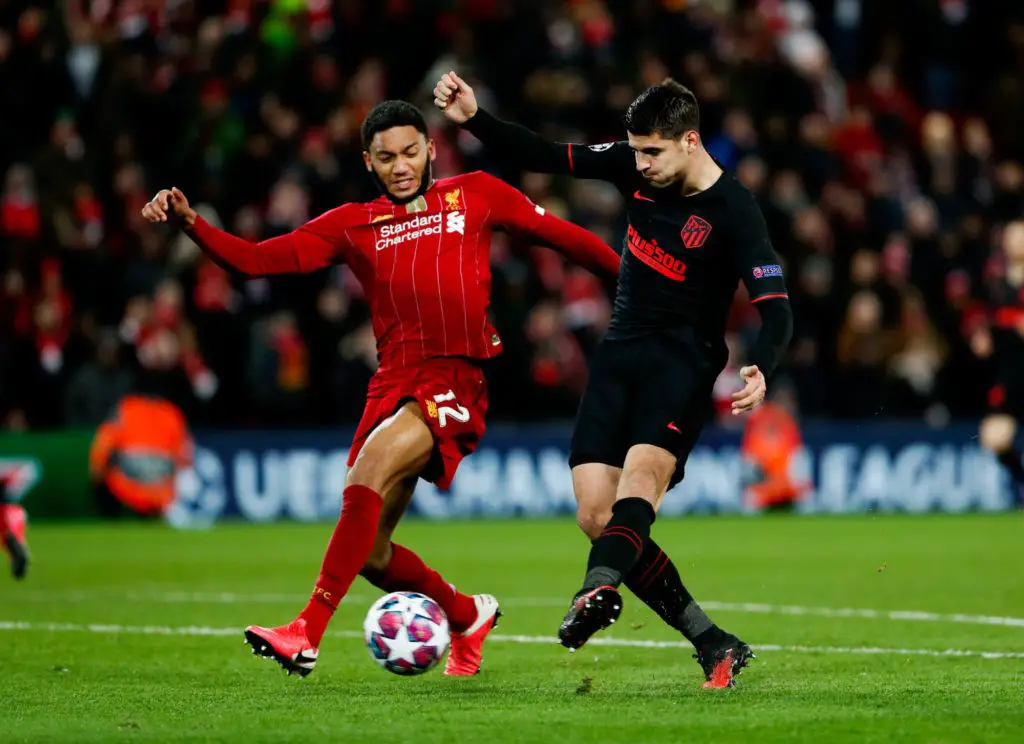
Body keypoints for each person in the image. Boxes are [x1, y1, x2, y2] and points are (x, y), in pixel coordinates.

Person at [140, 100, 621, 678]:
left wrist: (630, 282)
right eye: (387, 157)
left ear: (431, 150)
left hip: (453, 377)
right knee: (370, 553)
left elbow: (564, 237)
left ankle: (306, 631)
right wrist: (192, 223)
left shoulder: (476, 194)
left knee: (367, 473)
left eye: (411, 152)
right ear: (369, 162)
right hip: (392, 383)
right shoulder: (353, 223)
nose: (401, 166)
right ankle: (467, 614)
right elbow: (258, 261)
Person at [434, 73, 793, 688]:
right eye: (636, 151)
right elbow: (545, 154)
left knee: (641, 484)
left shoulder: (735, 209)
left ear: (690, 141)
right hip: (619, 354)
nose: (641, 164)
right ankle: (714, 642)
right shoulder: (634, 164)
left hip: (683, 362)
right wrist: (474, 117)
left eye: (653, 152)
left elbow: (776, 306)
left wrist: (763, 363)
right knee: (596, 514)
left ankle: (594, 589)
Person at [978, 221, 1024, 508]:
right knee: (993, 438)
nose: (1017, 242)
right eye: (1012, 237)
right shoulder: (997, 284)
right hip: (1010, 375)